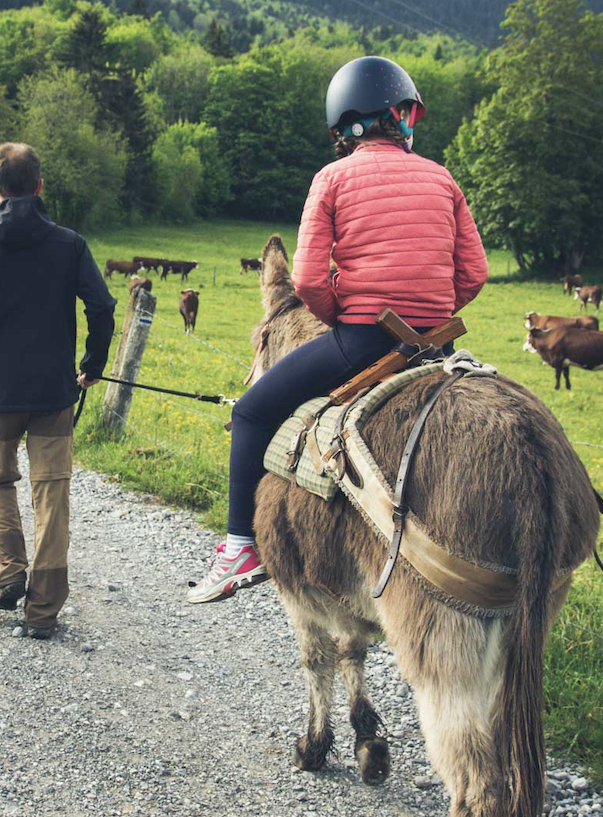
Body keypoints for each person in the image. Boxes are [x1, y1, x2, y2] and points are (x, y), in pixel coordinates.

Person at [187, 56, 488, 604]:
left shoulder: (331, 177)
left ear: (343, 125)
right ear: (399, 118)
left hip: (364, 341)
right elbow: (475, 274)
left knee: (250, 411)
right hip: (438, 347)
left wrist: (340, 318)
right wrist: (433, 316)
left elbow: (303, 279)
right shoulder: (443, 178)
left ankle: (237, 550)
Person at [0, 142, 116, 638]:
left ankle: (11, 571)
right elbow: (101, 308)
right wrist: (92, 365)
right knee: (52, 494)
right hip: (53, 393)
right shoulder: (69, 244)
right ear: (40, 186)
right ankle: (42, 613)